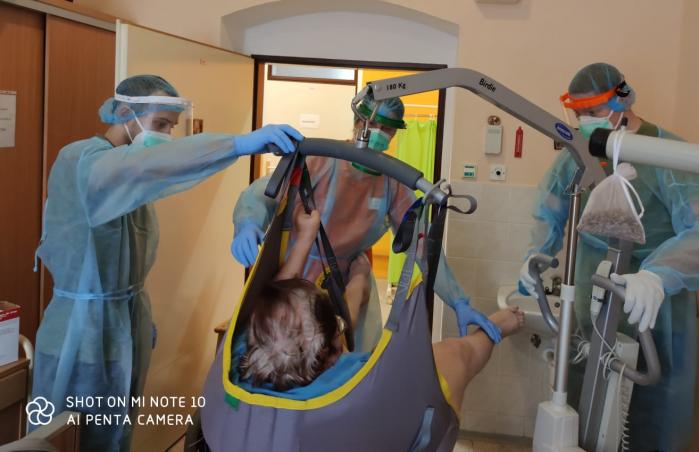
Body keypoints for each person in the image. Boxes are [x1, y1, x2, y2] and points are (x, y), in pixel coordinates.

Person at [31, 74, 304, 452]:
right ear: (124, 113)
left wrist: (137, 317)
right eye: (160, 124)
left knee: (115, 434)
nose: (165, 136)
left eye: (170, 128)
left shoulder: (133, 184)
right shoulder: (82, 160)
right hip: (80, 334)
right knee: (64, 438)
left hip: (124, 326)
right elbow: (147, 164)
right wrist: (238, 144)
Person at [519, 63, 699, 451]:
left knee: (649, 414)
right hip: (592, 300)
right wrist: (537, 255)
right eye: (579, 113)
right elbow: (549, 208)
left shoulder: (667, 154)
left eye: (594, 111)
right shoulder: (580, 154)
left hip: (653, 309)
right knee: (584, 403)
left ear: (623, 99)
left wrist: (658, 275)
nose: (585, 122)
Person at [231, 96, 501, 351]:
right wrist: (249, 223)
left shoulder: (393, 183)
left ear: (395, 133)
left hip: (345, 282)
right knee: (276, 346)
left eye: (387, 128)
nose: (379, 133)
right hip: (293, 271)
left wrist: (458, 300)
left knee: (337, 353)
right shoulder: (321, 159)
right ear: (358, 121)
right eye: (373, 124)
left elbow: (422, 246)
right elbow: (261, 194)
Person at [236, 206, 524, 414]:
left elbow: (278, 307)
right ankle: (498, 326)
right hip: (375, 406)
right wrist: (484, 318)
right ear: (334, 347)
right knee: (457, 353)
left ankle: (357, 285)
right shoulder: (358, 378)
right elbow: (457, 356)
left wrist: (304, 238)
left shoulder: (244, 370)